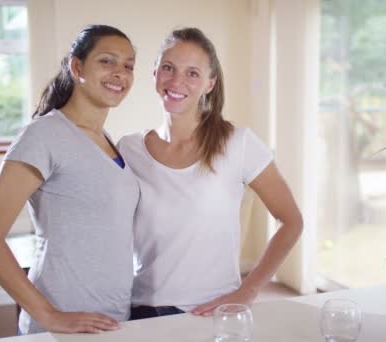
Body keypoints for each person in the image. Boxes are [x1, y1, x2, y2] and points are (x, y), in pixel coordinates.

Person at [118, 27, 303, 320]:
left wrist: (248, 291)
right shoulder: (129, 149)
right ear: (154, 73)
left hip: (214, 312)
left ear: (209, 84)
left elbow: (291, 221)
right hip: (144, 311)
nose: (177, 80)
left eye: (192, 73)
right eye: (168, 68)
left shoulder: (238, 143)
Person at [0, 25, 139, 334]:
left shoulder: (107, 139)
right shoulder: (44, 135)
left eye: (128, 66)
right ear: (77, 67)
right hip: (63, 323)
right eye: (107, 61)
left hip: (114, 318)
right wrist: (50, 316)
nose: (120, 73)